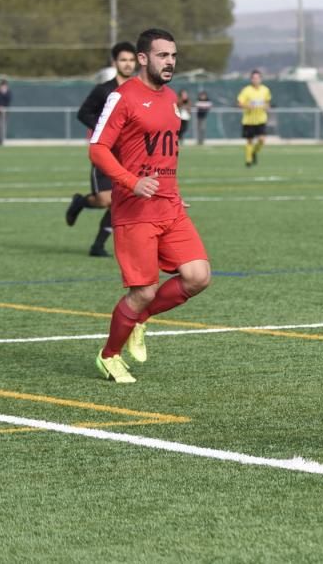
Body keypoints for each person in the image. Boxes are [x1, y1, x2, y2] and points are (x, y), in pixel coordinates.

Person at [88, 28, 211, 384]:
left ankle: (140, 319)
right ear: (143, 58)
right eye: (162, 55)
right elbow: (97, 148)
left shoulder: (171, 96)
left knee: (198, 276)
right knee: (142, 291)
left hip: (169, 206)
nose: (170, 62)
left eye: (173, 55)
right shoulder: (122, 97)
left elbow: (165, 153)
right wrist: (131, 182)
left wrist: (173, 190)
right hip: (134, 210)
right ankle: (109, 355)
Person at [66, 41, 138, 257]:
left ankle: (98, 245)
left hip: (130, 155)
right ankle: (81, 201)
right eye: (123, 60)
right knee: (106, 199)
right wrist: (105, 127)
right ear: (115, 62)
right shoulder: (104, 90)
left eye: (131, 60)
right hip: (105, 152)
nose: (127, 64)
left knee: (121, 200)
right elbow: (83, 113)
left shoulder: (139, 89)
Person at [237, 69, 271, 167]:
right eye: (254, 78)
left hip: (261, 119)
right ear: (251, 79)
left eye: (257, 78)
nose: (255, 80)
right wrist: (247, 106)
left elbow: (268, 102)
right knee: (249, 140)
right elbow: (239, 103)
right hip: (249, 120)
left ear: (261, 79)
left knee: (262, 140)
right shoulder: (246, 90)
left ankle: (253, 152)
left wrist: (267, 106)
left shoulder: (265, 90)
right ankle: (248, 161)